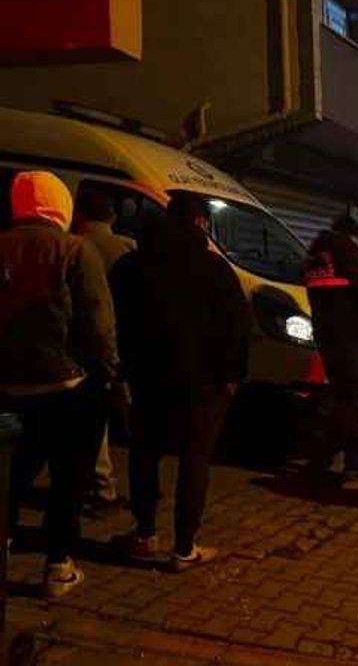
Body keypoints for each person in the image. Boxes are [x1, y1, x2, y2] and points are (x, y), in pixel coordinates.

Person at [110, 193, 250, 570]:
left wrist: (123, 368)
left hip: (146, 377)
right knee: (195, 457)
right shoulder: (214, 268)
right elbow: (238, 324)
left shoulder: (130, 265)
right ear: (200, 222)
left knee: (144, 453)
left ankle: (145, 534)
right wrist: (233, 374)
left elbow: (115, 321)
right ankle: (184, 548)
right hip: (203, 381)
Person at [0, 171, 116, 596]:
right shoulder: (75, 250)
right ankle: (57, 566)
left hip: (6, 385)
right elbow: (98, 322)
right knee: (68, 480)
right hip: (65, 386)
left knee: (11, 476)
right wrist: (108, 371)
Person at [305, 216, 358, 483]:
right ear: (352, 235)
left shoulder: (315, 257)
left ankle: (353, 459)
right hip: (352, 336)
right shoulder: (351, 253)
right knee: (352, 399)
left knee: (343, 396)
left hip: (326, 335)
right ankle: (322, 456)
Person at [72, 187, 136, 512]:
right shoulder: (126, 248)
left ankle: (94, 484)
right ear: (112, 215)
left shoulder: (72, 245)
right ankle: (102, 487)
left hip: (75, 345)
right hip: (115, 342)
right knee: (104, 418)